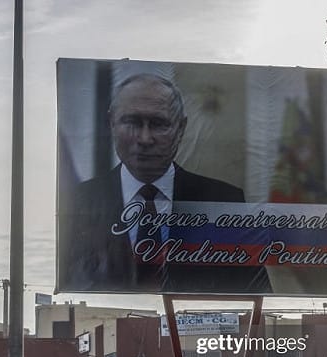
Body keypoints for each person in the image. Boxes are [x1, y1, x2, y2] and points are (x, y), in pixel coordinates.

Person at [61, 73, 271, 293]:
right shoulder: (76, 202)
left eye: (159, 124)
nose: (144, 138)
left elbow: (257, 295)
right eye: (132, 122)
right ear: (111, 123)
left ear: (181, 129)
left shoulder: (224, 203)